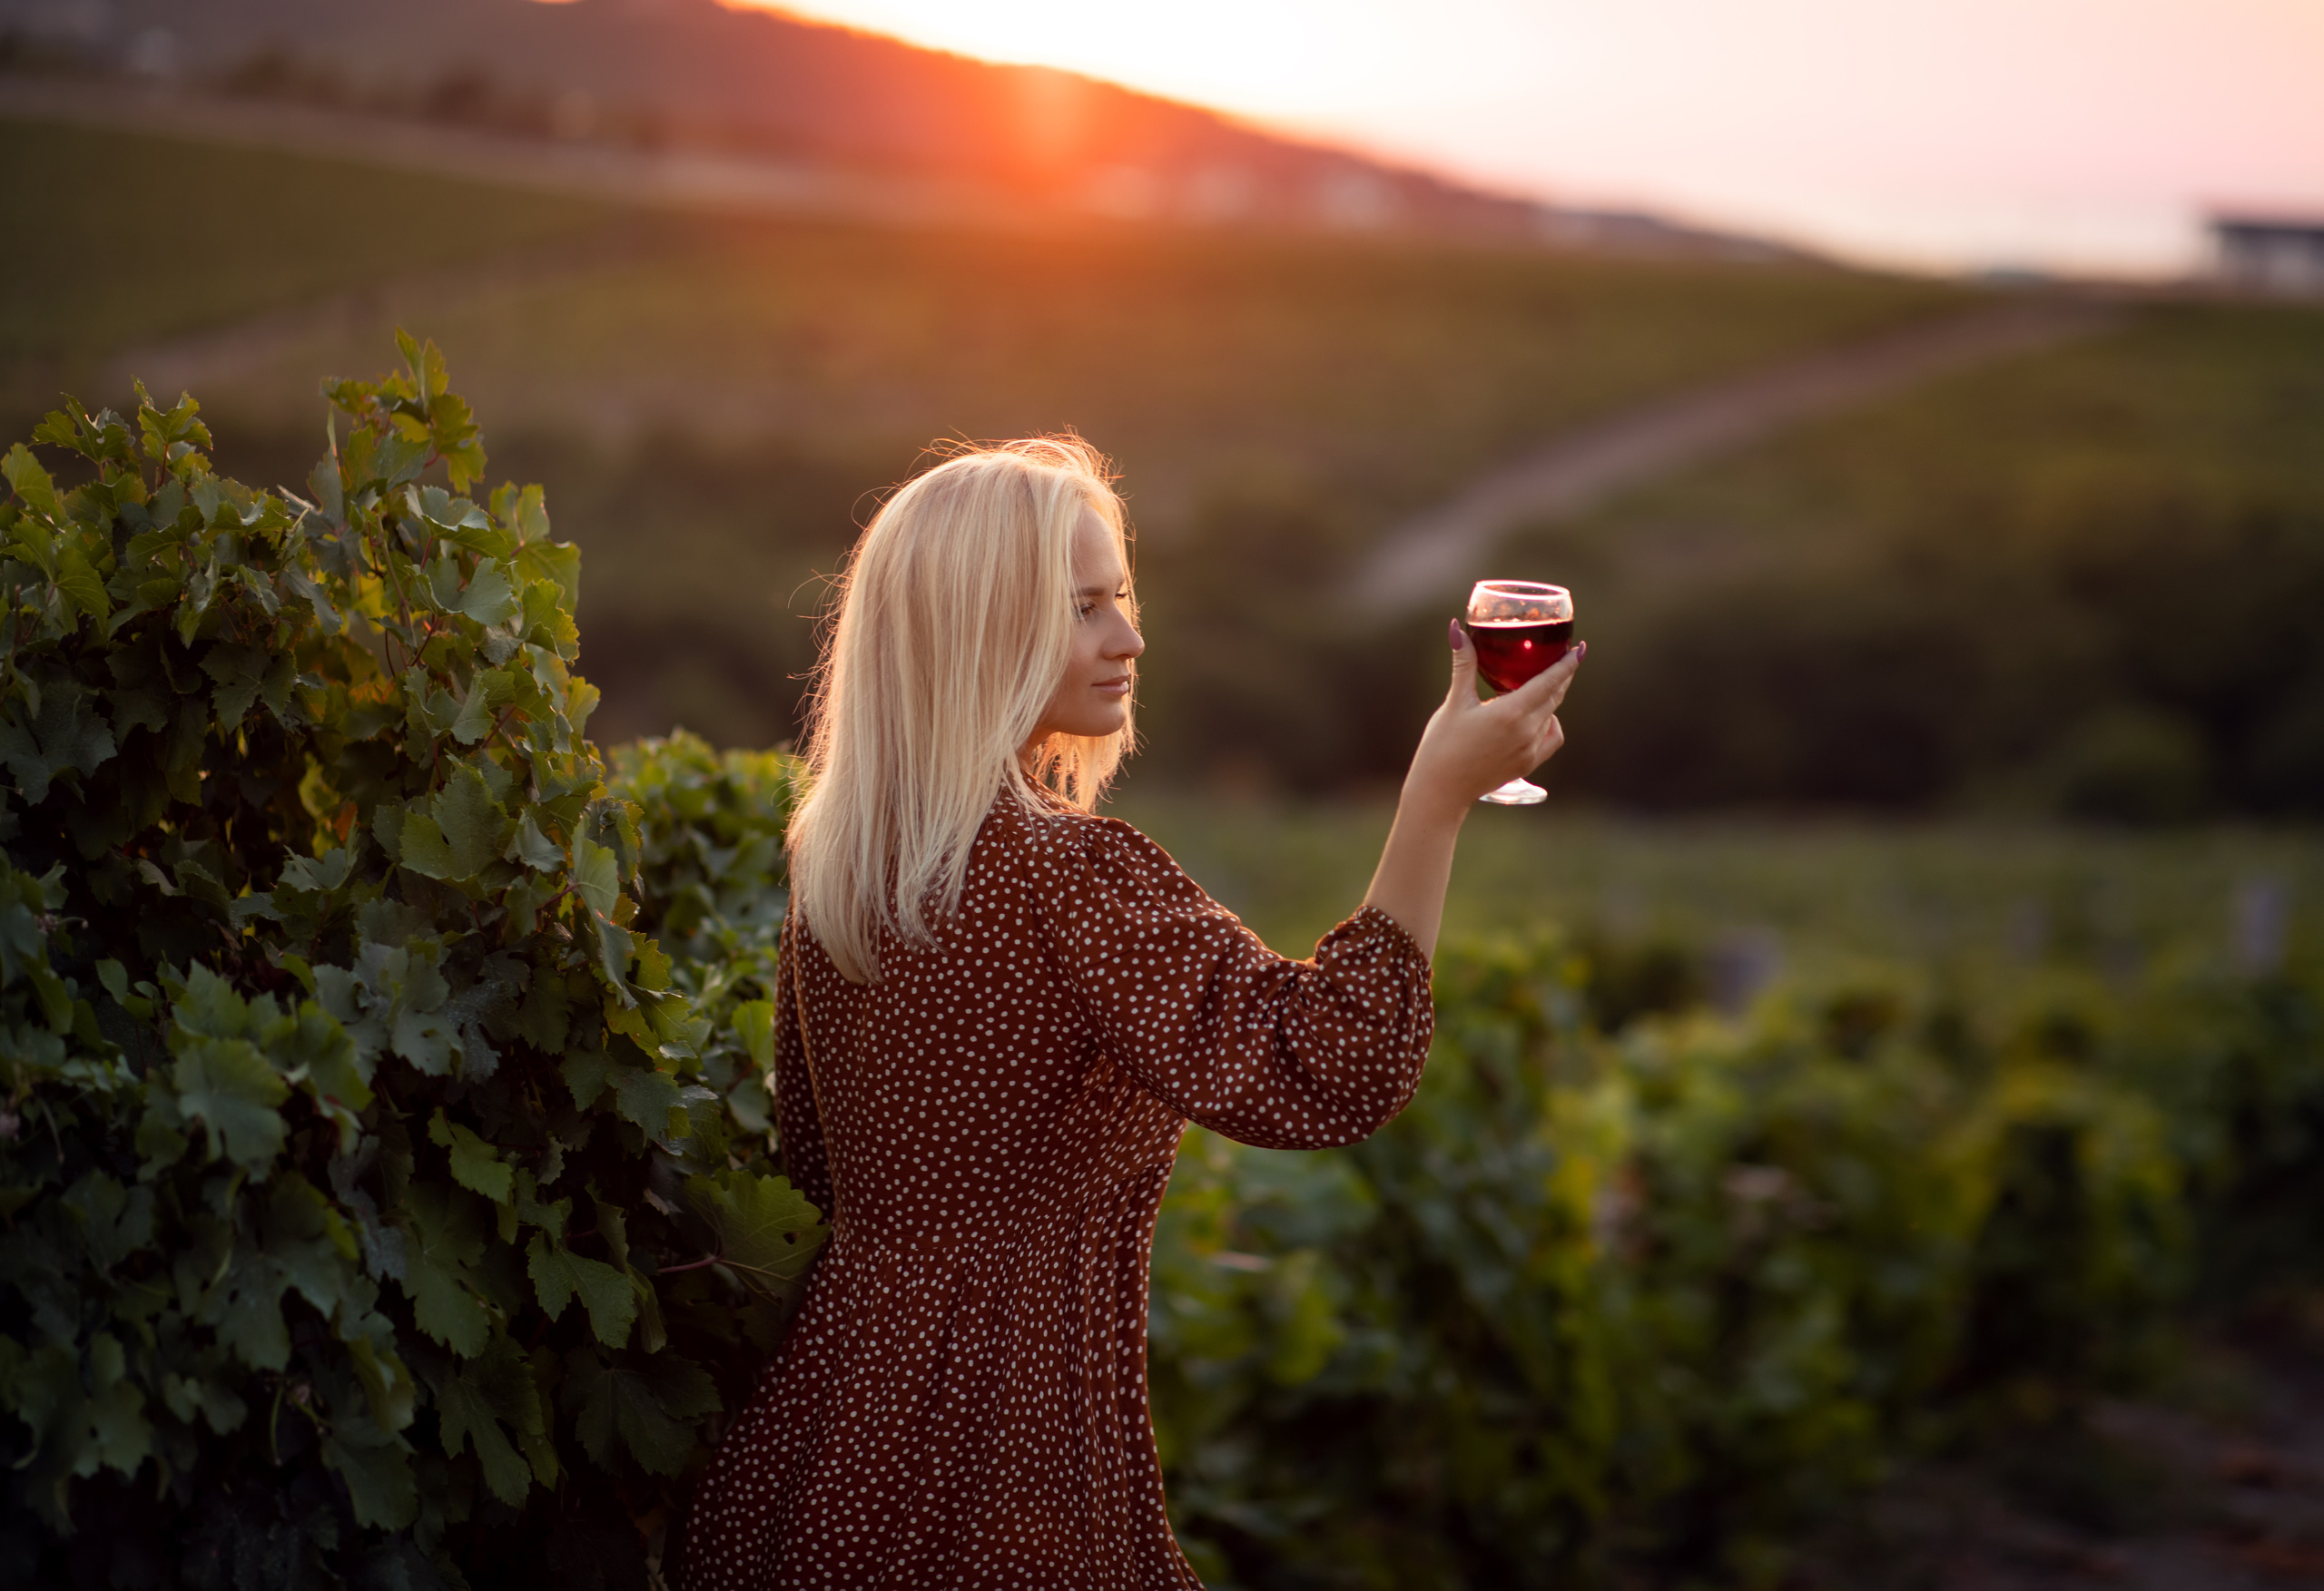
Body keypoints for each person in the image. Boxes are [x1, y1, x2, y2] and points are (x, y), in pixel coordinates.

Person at [681, 438, 1581, 1589]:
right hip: (1014, 1477)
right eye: (1086, 608)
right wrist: (1434, 803)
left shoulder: (848, 877)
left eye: (1124, 599)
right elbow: (1334, 1067)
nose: (1130, 638)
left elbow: (814, 1165)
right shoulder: (1069, 876)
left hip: (820, 1457)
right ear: (983, 630)